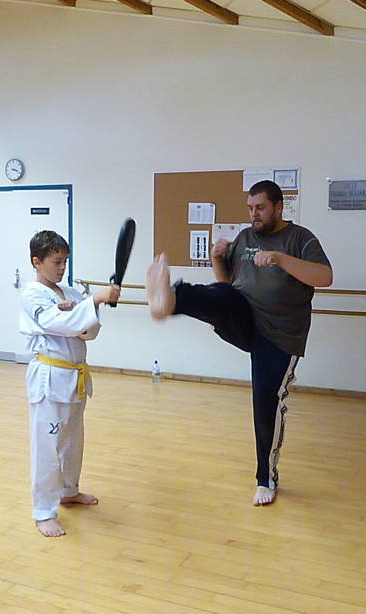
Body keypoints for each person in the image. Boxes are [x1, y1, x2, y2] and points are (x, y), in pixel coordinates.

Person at [146, 180, 332, 506]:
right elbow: (228, 282)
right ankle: (171, 300)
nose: (254, 214)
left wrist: (279, 258)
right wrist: (218, 258)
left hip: (280, 335)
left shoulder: (300, 238)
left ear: (278, 207)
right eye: (250, 208)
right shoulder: (245, 238)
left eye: (260, 208)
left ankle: (266, 480)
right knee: (221, 294)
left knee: (265, 403)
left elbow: (324, 276)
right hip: (245, 318)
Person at [20, 230, 121, 537]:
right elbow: (58, 323)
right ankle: (43, 512)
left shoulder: (71, 292)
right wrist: (93, 301)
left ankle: (68, 491)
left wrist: (89, 308)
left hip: (74, 377)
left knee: (72, 442)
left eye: (65, 261)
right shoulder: (32, 295)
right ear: (37, 262)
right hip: (49, 379)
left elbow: (88, 331)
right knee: (48, 447)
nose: (62, 268)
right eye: (56, 262)